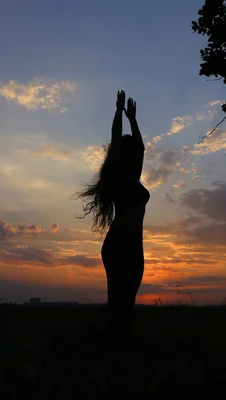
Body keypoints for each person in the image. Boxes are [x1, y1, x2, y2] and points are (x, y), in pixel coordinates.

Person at [76, 90, 150, 348]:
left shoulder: (135, 177)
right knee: (118, 299)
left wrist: (134, 119)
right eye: (128, 151)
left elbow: (140, 146)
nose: (133, 153)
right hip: (119, 243)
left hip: (135, 244)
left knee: (128, 300)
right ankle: (114, 346)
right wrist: (119, 112)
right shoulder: (118, 178)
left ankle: (121, 345)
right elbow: (116, 140)